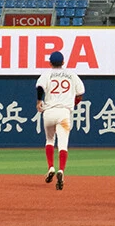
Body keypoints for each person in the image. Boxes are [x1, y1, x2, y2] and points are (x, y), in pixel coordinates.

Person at [35, 50, 84, 190]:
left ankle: (50, 167)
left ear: (50, 62)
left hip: (49, 112)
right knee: (63, 145)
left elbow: (39, 87)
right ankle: (61, 170)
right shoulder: (71, 74)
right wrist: (74, 102)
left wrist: (39, 101)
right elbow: (80, 93)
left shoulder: (47, 74)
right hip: (64, 113)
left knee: (49, 140)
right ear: (63, 62)